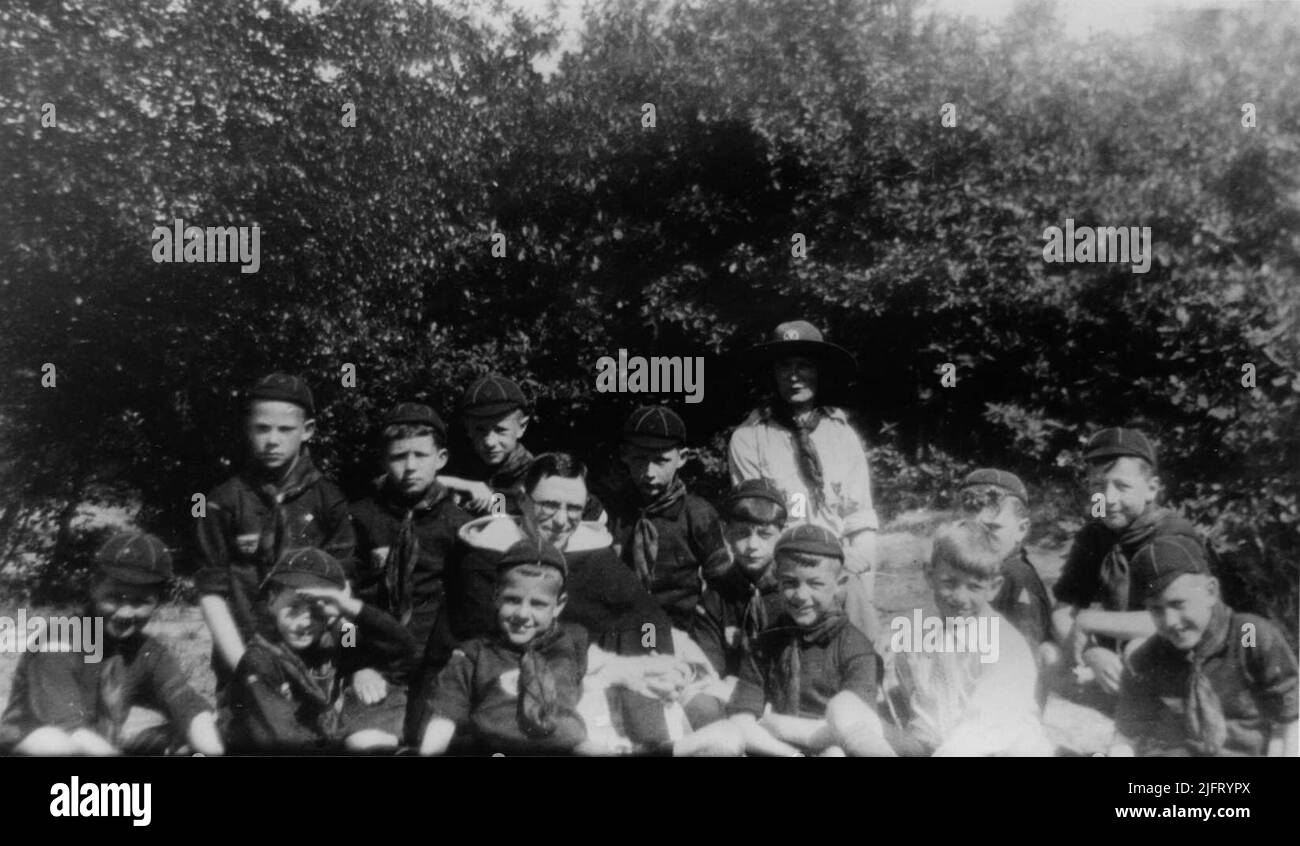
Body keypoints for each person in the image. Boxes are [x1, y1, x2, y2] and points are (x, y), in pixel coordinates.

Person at [427, 452, 685, 751]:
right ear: (523, 500)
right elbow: (475, 641)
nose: (562, 521)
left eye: (574, 508)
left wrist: (653, 655)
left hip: (585, 678)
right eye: (549, 505)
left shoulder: (595, 555)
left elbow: (644, 618)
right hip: (494, 690)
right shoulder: (484, 555)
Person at [194, 373, 355, 691]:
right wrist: (244, 667)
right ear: (247, 429)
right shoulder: (222, 501)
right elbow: (212, 593)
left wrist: (336, 650)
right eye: (262, 428)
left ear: (307, 431)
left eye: (285, 430)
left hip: (311, 653)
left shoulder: (328, 499)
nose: (272, 440)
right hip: (243, 652)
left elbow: (342, 587)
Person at [0, 532, 223, 756]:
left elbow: (185, 702)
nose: (126, 613)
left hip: (99, 747)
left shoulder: (147, 650)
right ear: (94, 587)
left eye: (140, 602)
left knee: (203, 731)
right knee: (54, 743)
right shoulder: (60, 639)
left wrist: (212, 748)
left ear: (157, 601)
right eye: (114, 598)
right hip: (33, 744)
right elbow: (69, 728)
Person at [728, 320, 880, 640]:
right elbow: (759, 524)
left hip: (840, 571)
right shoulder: (749, 438)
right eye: (785, 366)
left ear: (820, 372)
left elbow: (859, 518)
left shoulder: (842, 436)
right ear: (773, 374)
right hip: (783, 572)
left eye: (804, 366)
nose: (794, 376)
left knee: (867, 651)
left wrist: (857, 565)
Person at [871, 520, 1052, 757]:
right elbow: (916, 704)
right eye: (949, 583)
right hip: (940, 745)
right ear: (930, 575)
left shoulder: (1003, 645)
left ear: (994, 587)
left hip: (996, 748)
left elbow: (985, 727)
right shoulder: (919, 633)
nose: (960, 597)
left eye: (974, 587)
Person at [1051, 427, 1206, 698]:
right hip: (1116, 657)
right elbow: (1062, 611)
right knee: (1048, 655)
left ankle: (1157, 732)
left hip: (1187, 652)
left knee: (1138, 647)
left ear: (1152, 489)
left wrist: (1088, 621)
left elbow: (1178, 619)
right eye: (1098, 487)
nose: (1108, 499)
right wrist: (1091, 653)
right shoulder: (1095, 535)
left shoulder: (1170, 536)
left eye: (1122, 486)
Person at [1109, 535, 1298, 757]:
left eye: (1178, 604)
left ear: (1210, 591)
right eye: (1156, 610)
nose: (1170, 621)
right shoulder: (1144, 661)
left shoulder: (1250, 636)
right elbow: (1126, 735)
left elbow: (1290, 719)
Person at [349, 402, 471, 736]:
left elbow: (466, 608)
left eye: (420, 455)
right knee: (367, 741)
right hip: (376, 664)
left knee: (432, 740)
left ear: (441, 459)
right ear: (384, 460)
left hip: (437, 664)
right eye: (399, 456)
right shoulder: (361, 518)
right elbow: (344, 605)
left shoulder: (459, 526)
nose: (410, 467)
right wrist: (357, 666)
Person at [224, 547, 416, 753]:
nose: (304, 622)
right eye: (294, 607)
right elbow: (283, 736)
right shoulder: (261, 660)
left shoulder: (340, 634)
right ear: (272, 601)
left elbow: (400, 650)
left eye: (316, 610)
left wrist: (351, 610)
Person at [724, 525, 888, 756]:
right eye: (790, 583)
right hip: (779, 750)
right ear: (777, 581)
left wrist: (777, 726)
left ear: (839, 585)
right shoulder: (764, 644)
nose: (801, 596)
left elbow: (859, 729)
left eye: (815, 584)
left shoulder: (855, 647)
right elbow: (741, 720)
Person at [419, 537, 589, 755]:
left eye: (538, 604)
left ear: (559, 605)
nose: (522, 614)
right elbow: (444, 718)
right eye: (512, 600)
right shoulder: (473, 655)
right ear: (496, 596)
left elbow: (590, 685)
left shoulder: (572, 642)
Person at [603, 405, 726, 636]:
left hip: (684, 630)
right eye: (639, 459)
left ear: (682, 458)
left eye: (661, 460)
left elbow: (721, 583)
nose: (649, 471)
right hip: (622, 628)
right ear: (624, 455)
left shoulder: (697, 514)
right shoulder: (613, 511)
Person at [695, 479, 789, 681]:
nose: (752, 545)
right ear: (727, 533)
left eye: (765, 534)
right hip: (734, 694)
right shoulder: (717, 595)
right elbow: (710, 664)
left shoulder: (793, 589)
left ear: (782, 535)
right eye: (742, 533)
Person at [955, 469, 1054, 660]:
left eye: (992, 529)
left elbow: (1025, 654)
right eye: (968, 527)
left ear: (1021, 529)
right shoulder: (980, 570)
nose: (978, 538)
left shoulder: (1015, 575)